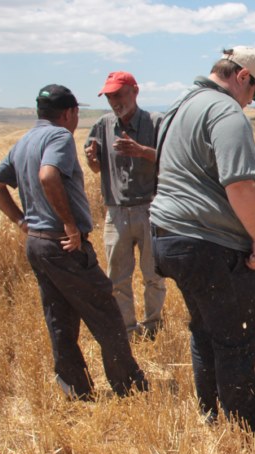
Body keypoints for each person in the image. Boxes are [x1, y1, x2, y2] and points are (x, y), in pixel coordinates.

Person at [0, 84, 148, 400]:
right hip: (64, 245)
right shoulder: (58, 137)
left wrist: (22, 221)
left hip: (37, 243)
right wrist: (70, 225)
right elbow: (49, 176)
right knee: (106, 313)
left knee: (59, 318)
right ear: (69, 112)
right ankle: (129, 387)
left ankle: (76, 388)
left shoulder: (24, 141)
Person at [149, 46, 255, 434]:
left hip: (171, 239)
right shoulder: (225, 112)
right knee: (240, 338)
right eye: (254, 92)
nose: (251, 102)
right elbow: (238, 183)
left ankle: (211, 414)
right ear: (242, 77)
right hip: (208, 245)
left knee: (206, 330)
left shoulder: (181, 105)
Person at [84, 71, 166, 341]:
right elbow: (95, 169)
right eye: (109, 96)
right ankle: (129, 330)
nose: (114, 101)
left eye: (118, 94)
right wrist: (92, 159)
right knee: (117, 279)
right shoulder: (102, 126)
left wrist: (140, 151)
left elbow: (171, 160)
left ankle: (153, 325)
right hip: (116, 212)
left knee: (153, 275)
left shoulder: (155, 122)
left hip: (150, 209)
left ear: (135, 91)